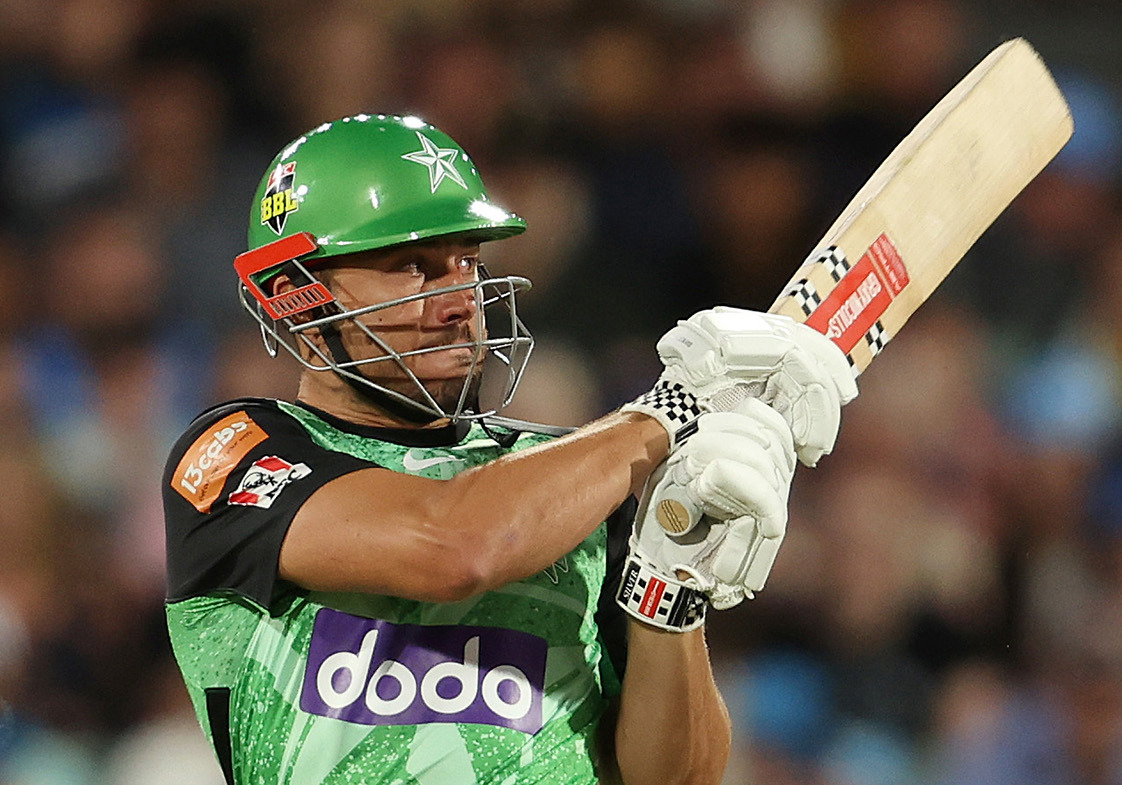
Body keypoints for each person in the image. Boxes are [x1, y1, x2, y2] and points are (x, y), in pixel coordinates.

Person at [161, 114, 856, 785]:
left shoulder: (575, 482)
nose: (460, 296)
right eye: (412, 265)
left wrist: (669, 590)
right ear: (297, 299)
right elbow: (453, 545)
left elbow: (678, 776)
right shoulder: (237, 454)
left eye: (466, 259)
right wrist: (672, 410)